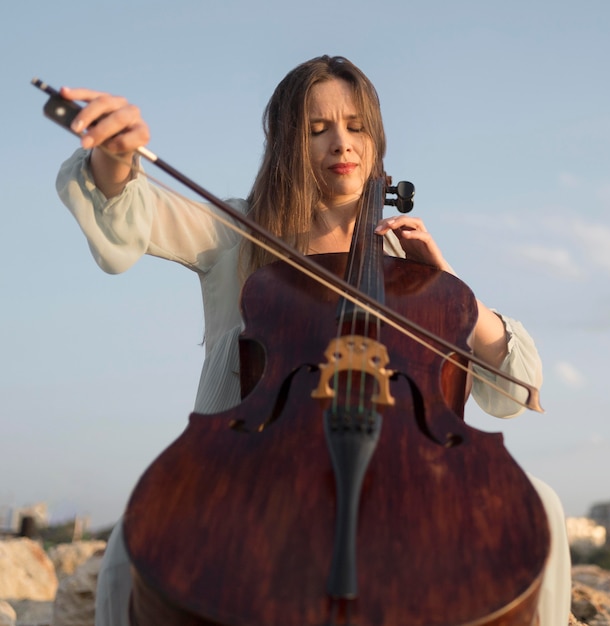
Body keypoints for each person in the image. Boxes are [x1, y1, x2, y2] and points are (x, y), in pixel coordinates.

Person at [56, 55, 571, 625]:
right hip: (247, 472)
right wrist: (116, 155)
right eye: (317, 130)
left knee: (540, 508)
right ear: (286, 147)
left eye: (356, 127)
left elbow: (512, 393)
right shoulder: (239, 231)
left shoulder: (406, 264)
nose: (341, 145)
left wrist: (455, 292)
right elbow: (134, 210)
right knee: (132, 548)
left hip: (395, 472)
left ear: (375, 140)